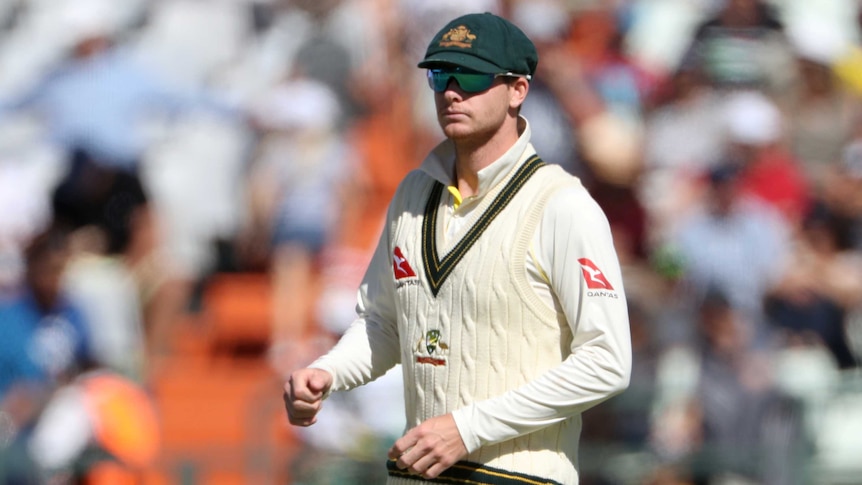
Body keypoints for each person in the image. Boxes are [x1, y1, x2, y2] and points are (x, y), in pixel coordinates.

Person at [283, 12, 632, 484]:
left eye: (470, 76)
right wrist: (328, 373)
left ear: (517, 89)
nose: (451, 90)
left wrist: (467, 429)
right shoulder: (412, 193)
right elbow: (384, 322)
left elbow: (608, 363)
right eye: (440, 75)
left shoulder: (562, 205)